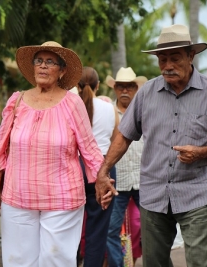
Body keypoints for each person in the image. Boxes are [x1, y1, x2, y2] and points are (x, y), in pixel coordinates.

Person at [95, 24, 207, 267]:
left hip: (198, 192)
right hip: (154, 192)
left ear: (190, 56)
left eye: (174, 58)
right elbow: (124, 135)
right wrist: (103, 171)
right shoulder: (147, 93)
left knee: (200, 262)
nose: (167, 66)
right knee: (154, 262)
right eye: (162, 59)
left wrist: (201, 152)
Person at [0, 41, 106, 267]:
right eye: (39, 61)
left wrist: (102, 181)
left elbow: (89, 149)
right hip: (17, 197)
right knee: (18, 262)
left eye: (50, 62)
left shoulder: (72, 103)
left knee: (55, 260)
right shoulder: (16, 101)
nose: (43, 66)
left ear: (62, 70)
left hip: (62, 199)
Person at [77, 66, 119, 267]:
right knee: (98, 229)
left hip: (74, 166)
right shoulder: (110, 108)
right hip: (103, 166)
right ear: (98, 86)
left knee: (69, 226)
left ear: (76, 85)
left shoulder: (70, 106)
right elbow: (116, 140)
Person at [104, 67, 146, 267]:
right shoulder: (108, 112)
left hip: (143, 180)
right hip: (117, 181)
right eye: (120, 86)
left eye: (129, 87)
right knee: (110, 230)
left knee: (153, 229)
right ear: (115, 89)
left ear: (136, 88)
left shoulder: (145, 111)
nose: (125, 91)